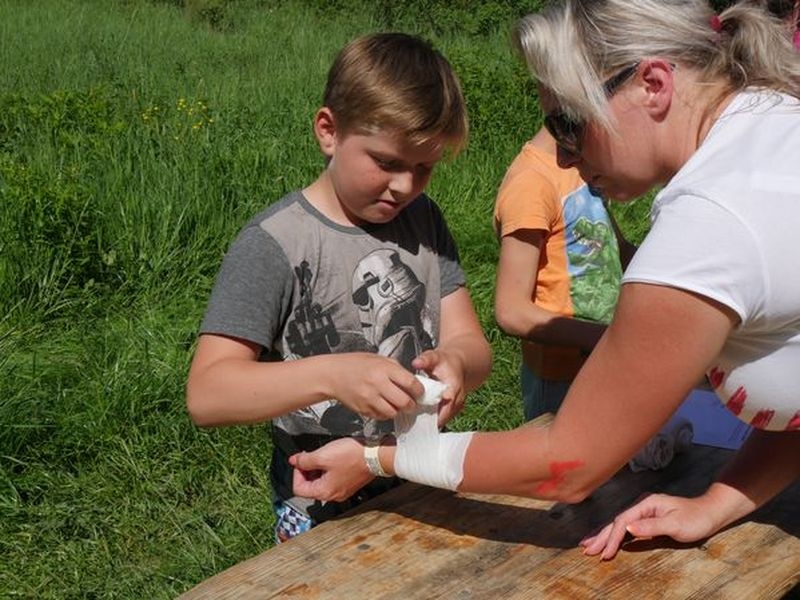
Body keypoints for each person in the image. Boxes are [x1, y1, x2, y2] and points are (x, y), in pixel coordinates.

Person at [290, 0, 800, 560]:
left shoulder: (708, 223)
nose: (567, 153)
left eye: (569, 123)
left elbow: (567, 464)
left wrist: (376, 458)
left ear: (653, 84)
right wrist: (718, 503)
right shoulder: (772, 125)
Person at [186, 32, 492, 542]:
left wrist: (458, 364)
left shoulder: (424, 223)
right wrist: (331, 375)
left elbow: (473, 346)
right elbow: (208, 392)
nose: (405, 186)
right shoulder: (275, 243)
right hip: (318, 499)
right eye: (387, 162)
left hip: (416, 476)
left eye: (425, 168)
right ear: (328, 131)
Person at [493, 125, 635, 420]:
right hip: (560, 377)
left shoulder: (582, 163)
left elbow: (615, 247)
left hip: (604, 357)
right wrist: (603, 338)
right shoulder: (531, 185)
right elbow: (512, 311)